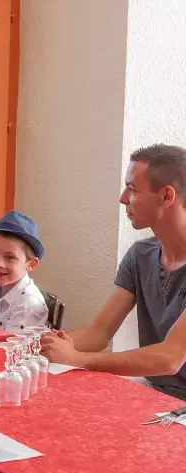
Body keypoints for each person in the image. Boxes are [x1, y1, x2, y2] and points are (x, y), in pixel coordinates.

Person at [42, 144, 186, 400]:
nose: (122, 198)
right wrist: (41, 347)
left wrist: (77, 359)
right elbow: (98, 333)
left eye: (132, 189)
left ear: (166, 196)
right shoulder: (140, 255)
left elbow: (169, 358)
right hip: (157, 394)